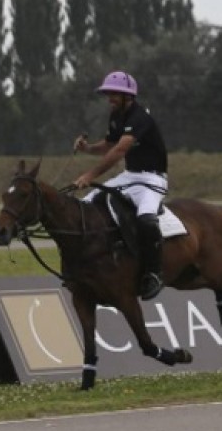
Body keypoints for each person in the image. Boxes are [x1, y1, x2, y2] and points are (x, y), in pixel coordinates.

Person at [73, 71, 169, 300]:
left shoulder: (140, 118)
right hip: (130, 176)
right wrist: (87, 148)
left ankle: (154, 273)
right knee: (85, 206)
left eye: (114, 93)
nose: (110, 98)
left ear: (128, 96)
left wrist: (90, 175)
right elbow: (108, 145)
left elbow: (119, 150)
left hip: (152, 180)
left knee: (146, 219)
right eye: (108, 93)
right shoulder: (117, 115)